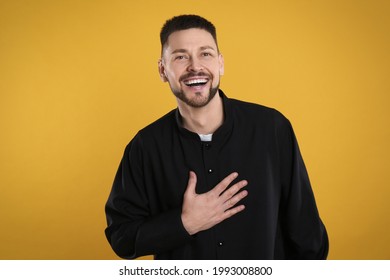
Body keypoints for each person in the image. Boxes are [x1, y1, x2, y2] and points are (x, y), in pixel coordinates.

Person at [105, 14, 328, 260]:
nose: (195, 66)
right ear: (162, 70)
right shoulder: (144, 147)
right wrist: (185, 223)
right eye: (180, 57)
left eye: (205, 54)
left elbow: (306, 232)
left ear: (220, 63)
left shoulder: (272, 128)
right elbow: (121, 237)